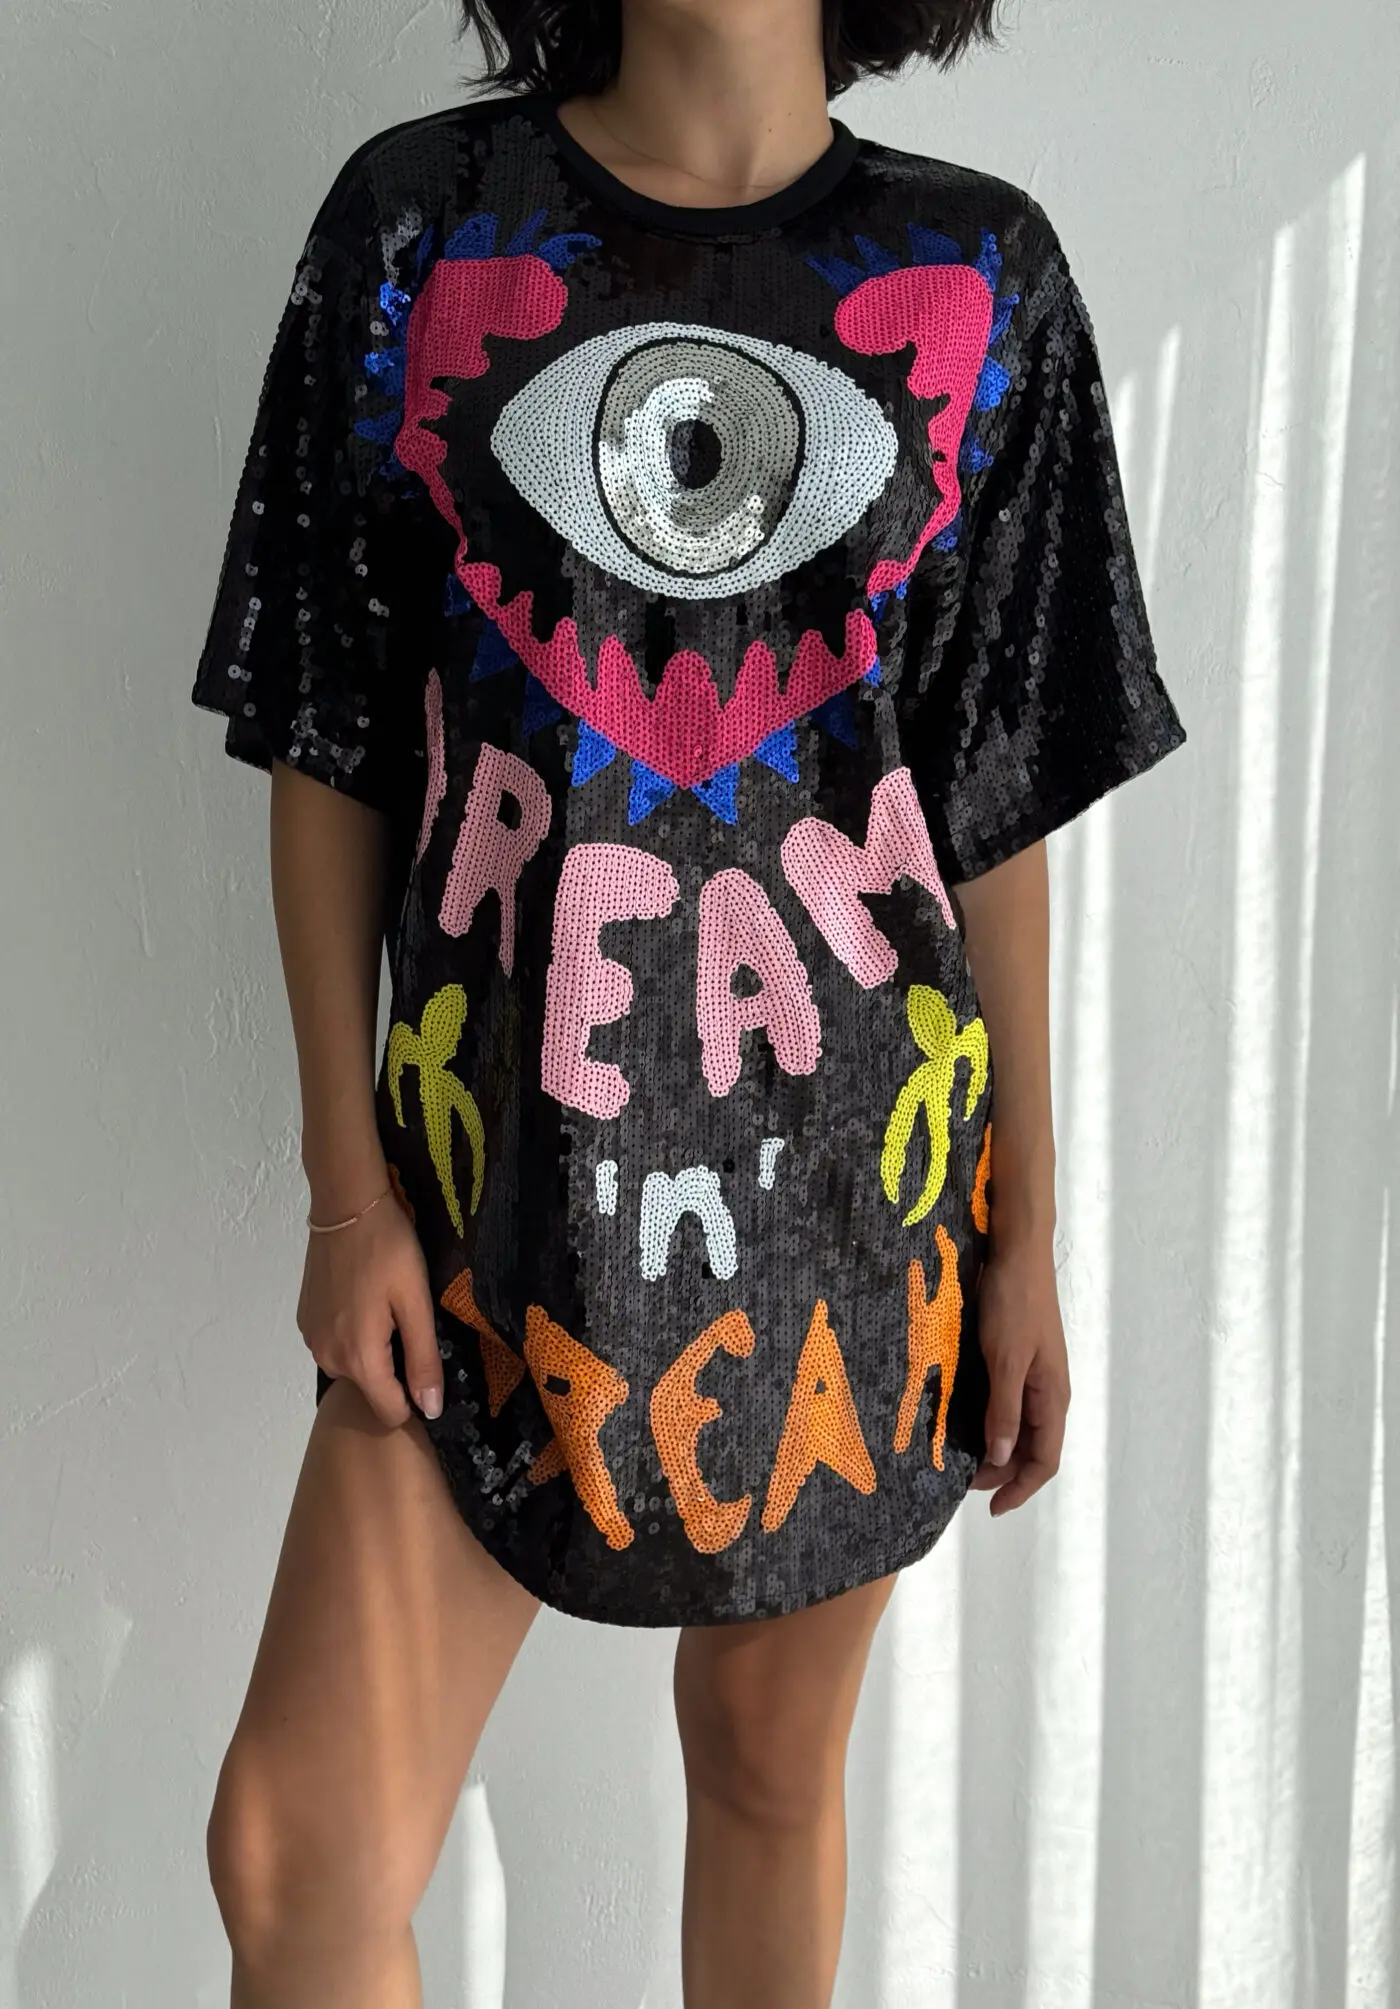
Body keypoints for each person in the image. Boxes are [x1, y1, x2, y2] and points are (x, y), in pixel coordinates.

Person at [189, 0, 1187, 2002]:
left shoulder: (981, 273)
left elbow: (987, 801)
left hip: (856, 1207)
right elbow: (328, 739)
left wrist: (1025, 1237)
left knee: (762, 1768)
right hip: (487, 1209)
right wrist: (343, 1191)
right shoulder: (422, 228)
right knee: (298, 1850)